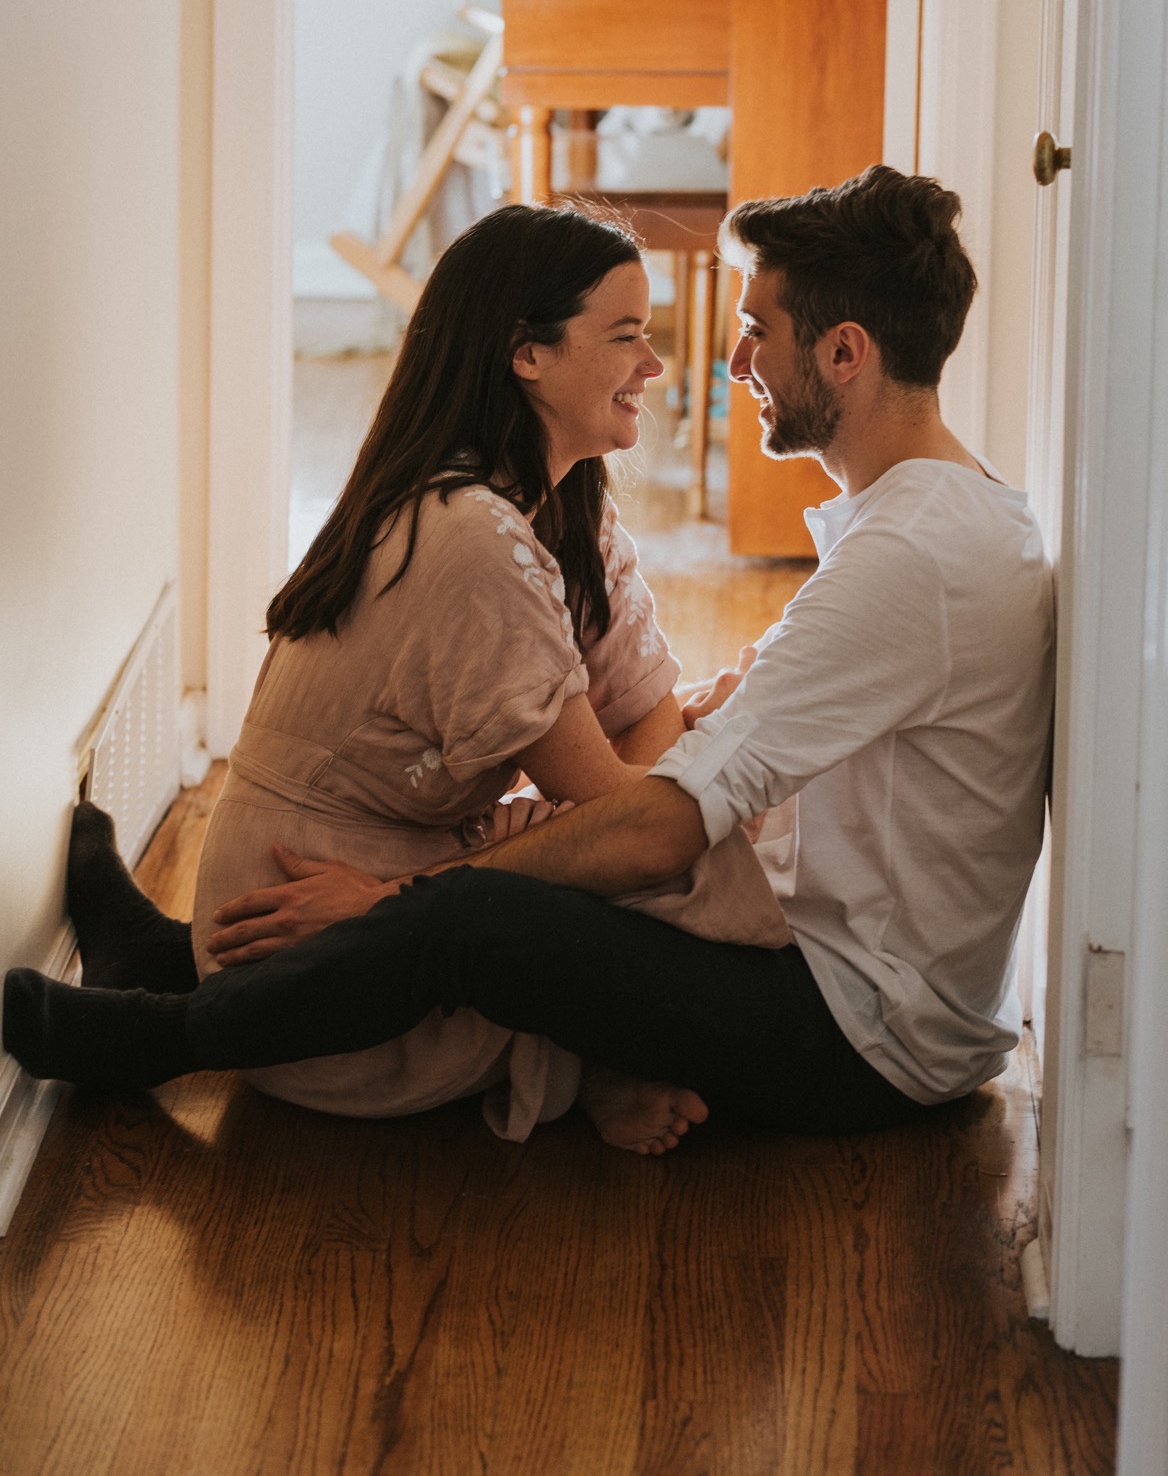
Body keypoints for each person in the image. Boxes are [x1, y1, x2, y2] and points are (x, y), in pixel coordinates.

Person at [6, 166, 1055, 1145]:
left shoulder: (911, 554)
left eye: (755, 331)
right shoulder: (932, 528)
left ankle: (157, 1045)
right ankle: (169, 967)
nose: (729, 363)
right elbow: (662, 779)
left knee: (472, 913)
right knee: (528, 875)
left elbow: (653, 829)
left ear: (845, 354)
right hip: (849, 970)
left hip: (861, 1029)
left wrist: (397, 901)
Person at [59, 202, 787, 1155]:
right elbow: (628, 818)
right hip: (314, 971)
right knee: (710, 836)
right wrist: (623, 789)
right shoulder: (471, 539)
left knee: (694, 789)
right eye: (626, 337)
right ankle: (586, 1069)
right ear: (528, 355)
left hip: (363, 895)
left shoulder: (561, 506)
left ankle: (158, 957)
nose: (655, 365)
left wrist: (641, 769)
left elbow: (643, 715)